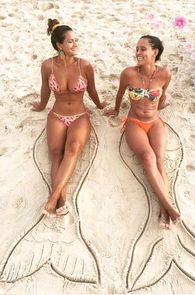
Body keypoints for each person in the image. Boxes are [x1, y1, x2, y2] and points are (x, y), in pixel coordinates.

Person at [32, 19, 107, 217]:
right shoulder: (47, 66)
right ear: (59, 45)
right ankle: (62, 201)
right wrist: (40, 105)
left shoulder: (85, 66)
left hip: (79, 116)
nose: (75, 45)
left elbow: (91, 90)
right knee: (55, 154)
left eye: (76, 40)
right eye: (71, 42)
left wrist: (99, 105)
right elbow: (45, 89)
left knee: (72, 150)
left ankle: (51, 199)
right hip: (56, 115)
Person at [105, 35, 180, 228]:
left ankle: (165, 210)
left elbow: (162, 96)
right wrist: (115, 109)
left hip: (155, 122)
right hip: (135, 122)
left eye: (143, 49)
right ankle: (169, 209)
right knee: (148, 157)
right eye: (137, 49)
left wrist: (162, 104)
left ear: (154, 52)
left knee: (160, 161)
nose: (138, 52)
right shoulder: (128, 73)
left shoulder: (165, 74)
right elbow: (120, 94)